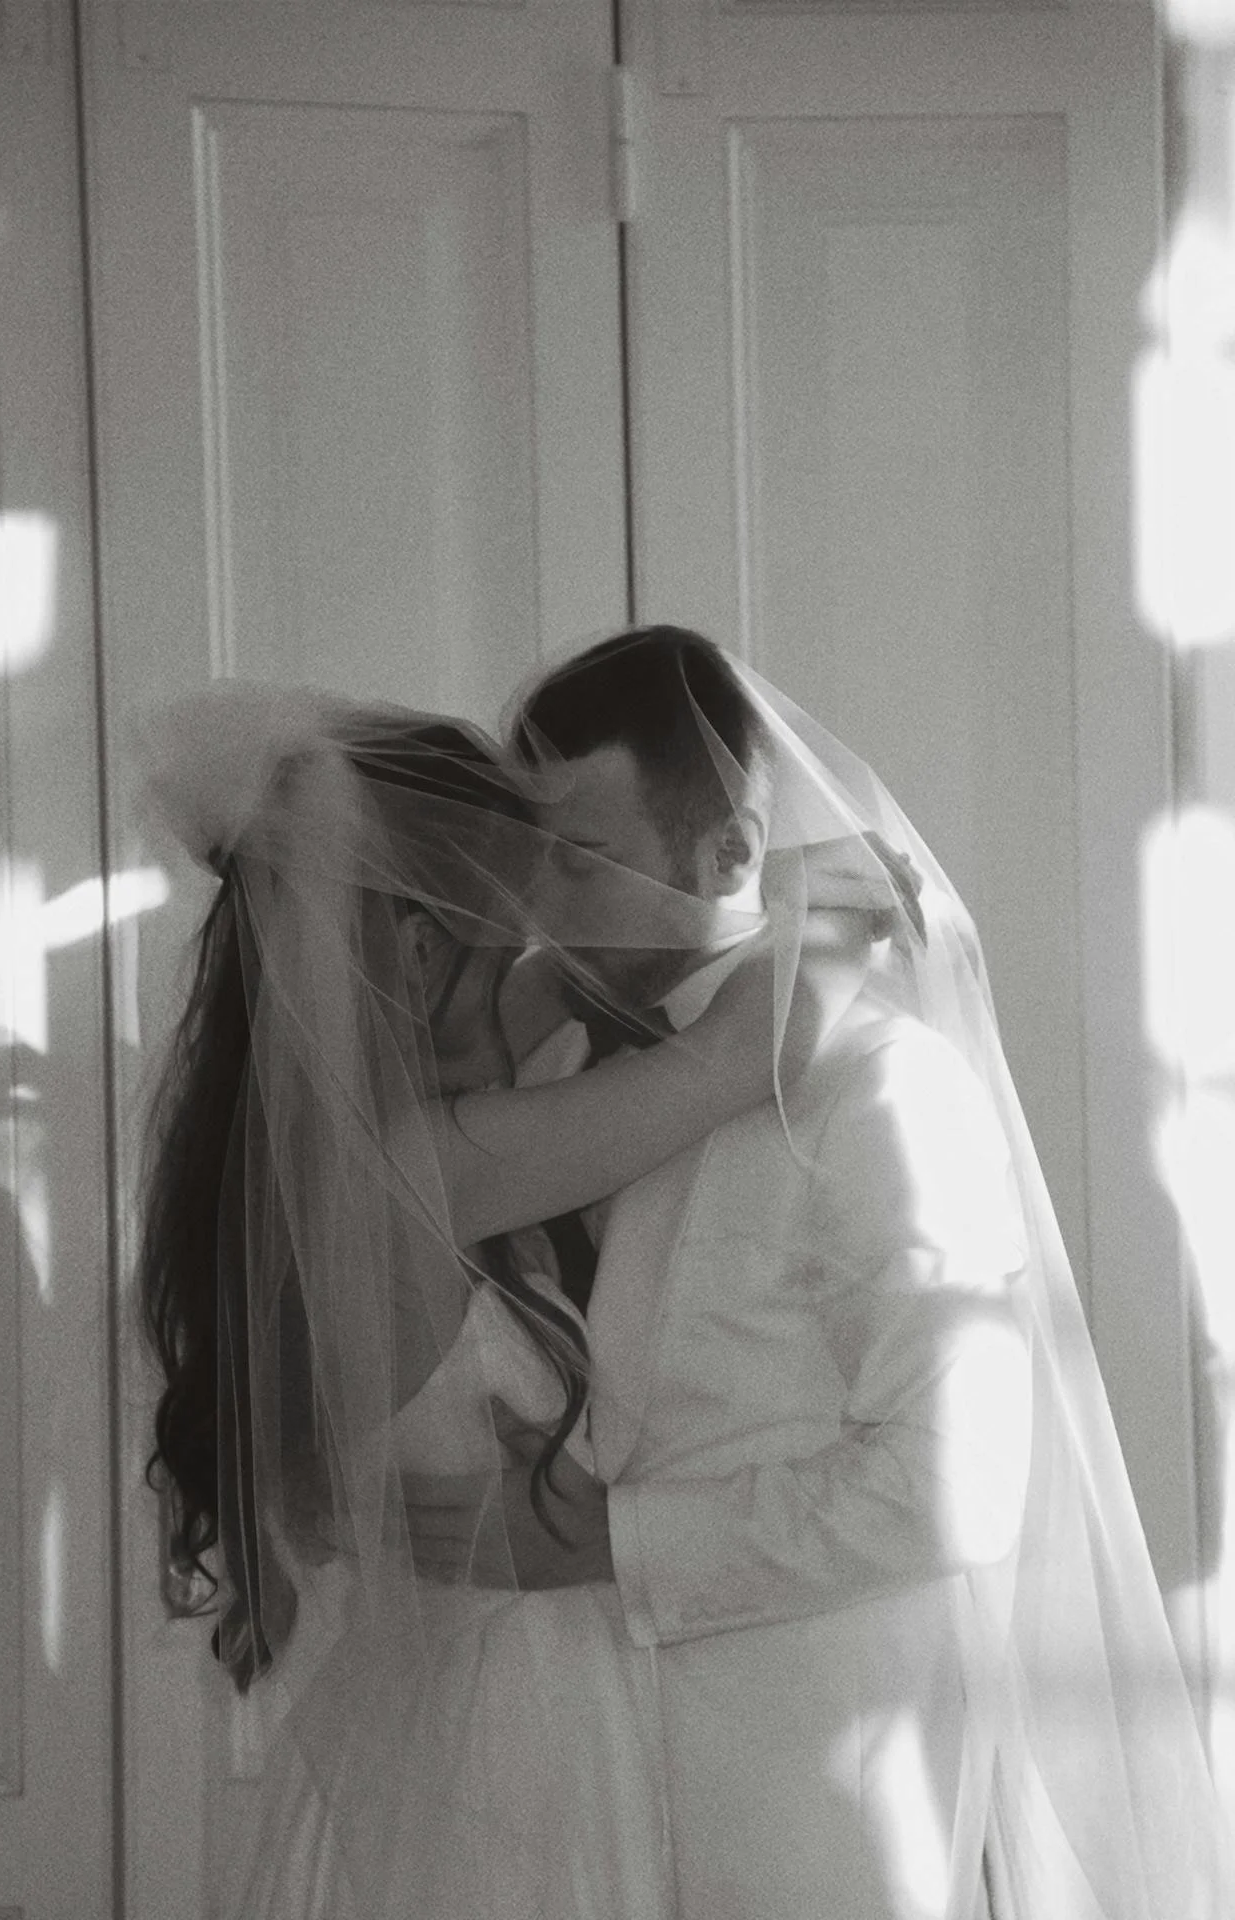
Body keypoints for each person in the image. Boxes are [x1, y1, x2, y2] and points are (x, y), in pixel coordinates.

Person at [404, 626, 1235, 1919]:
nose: (540, 906)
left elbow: (952, 1484)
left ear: (729, 851)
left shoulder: (884, 1092)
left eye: (583, 858)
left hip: (828, 1808)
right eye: (536, 858)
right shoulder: (564, 1080)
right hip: (596, 1802)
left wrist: (601, 1544)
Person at [135, 682, 887, 1917]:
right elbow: (736, 1058)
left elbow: (535, 1006)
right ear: (425, 943)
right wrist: (840, 911)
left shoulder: (339, 1153)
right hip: (515, 1740)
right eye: (515, 895)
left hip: (451, 1703)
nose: (548, 930)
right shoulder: (427, 1166)